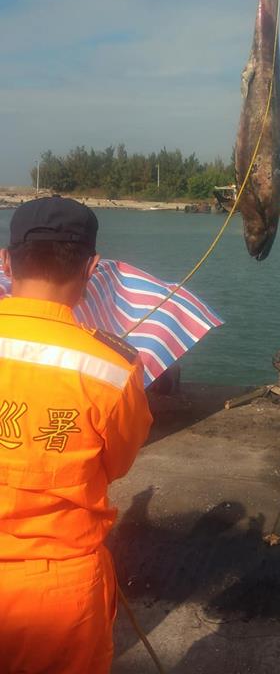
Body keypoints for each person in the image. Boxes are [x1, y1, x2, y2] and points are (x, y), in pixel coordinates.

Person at [0, 196, 153, 674]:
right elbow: (117, 463)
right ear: (91, 268)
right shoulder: (113, 368)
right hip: (57, 593)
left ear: (7, 260)